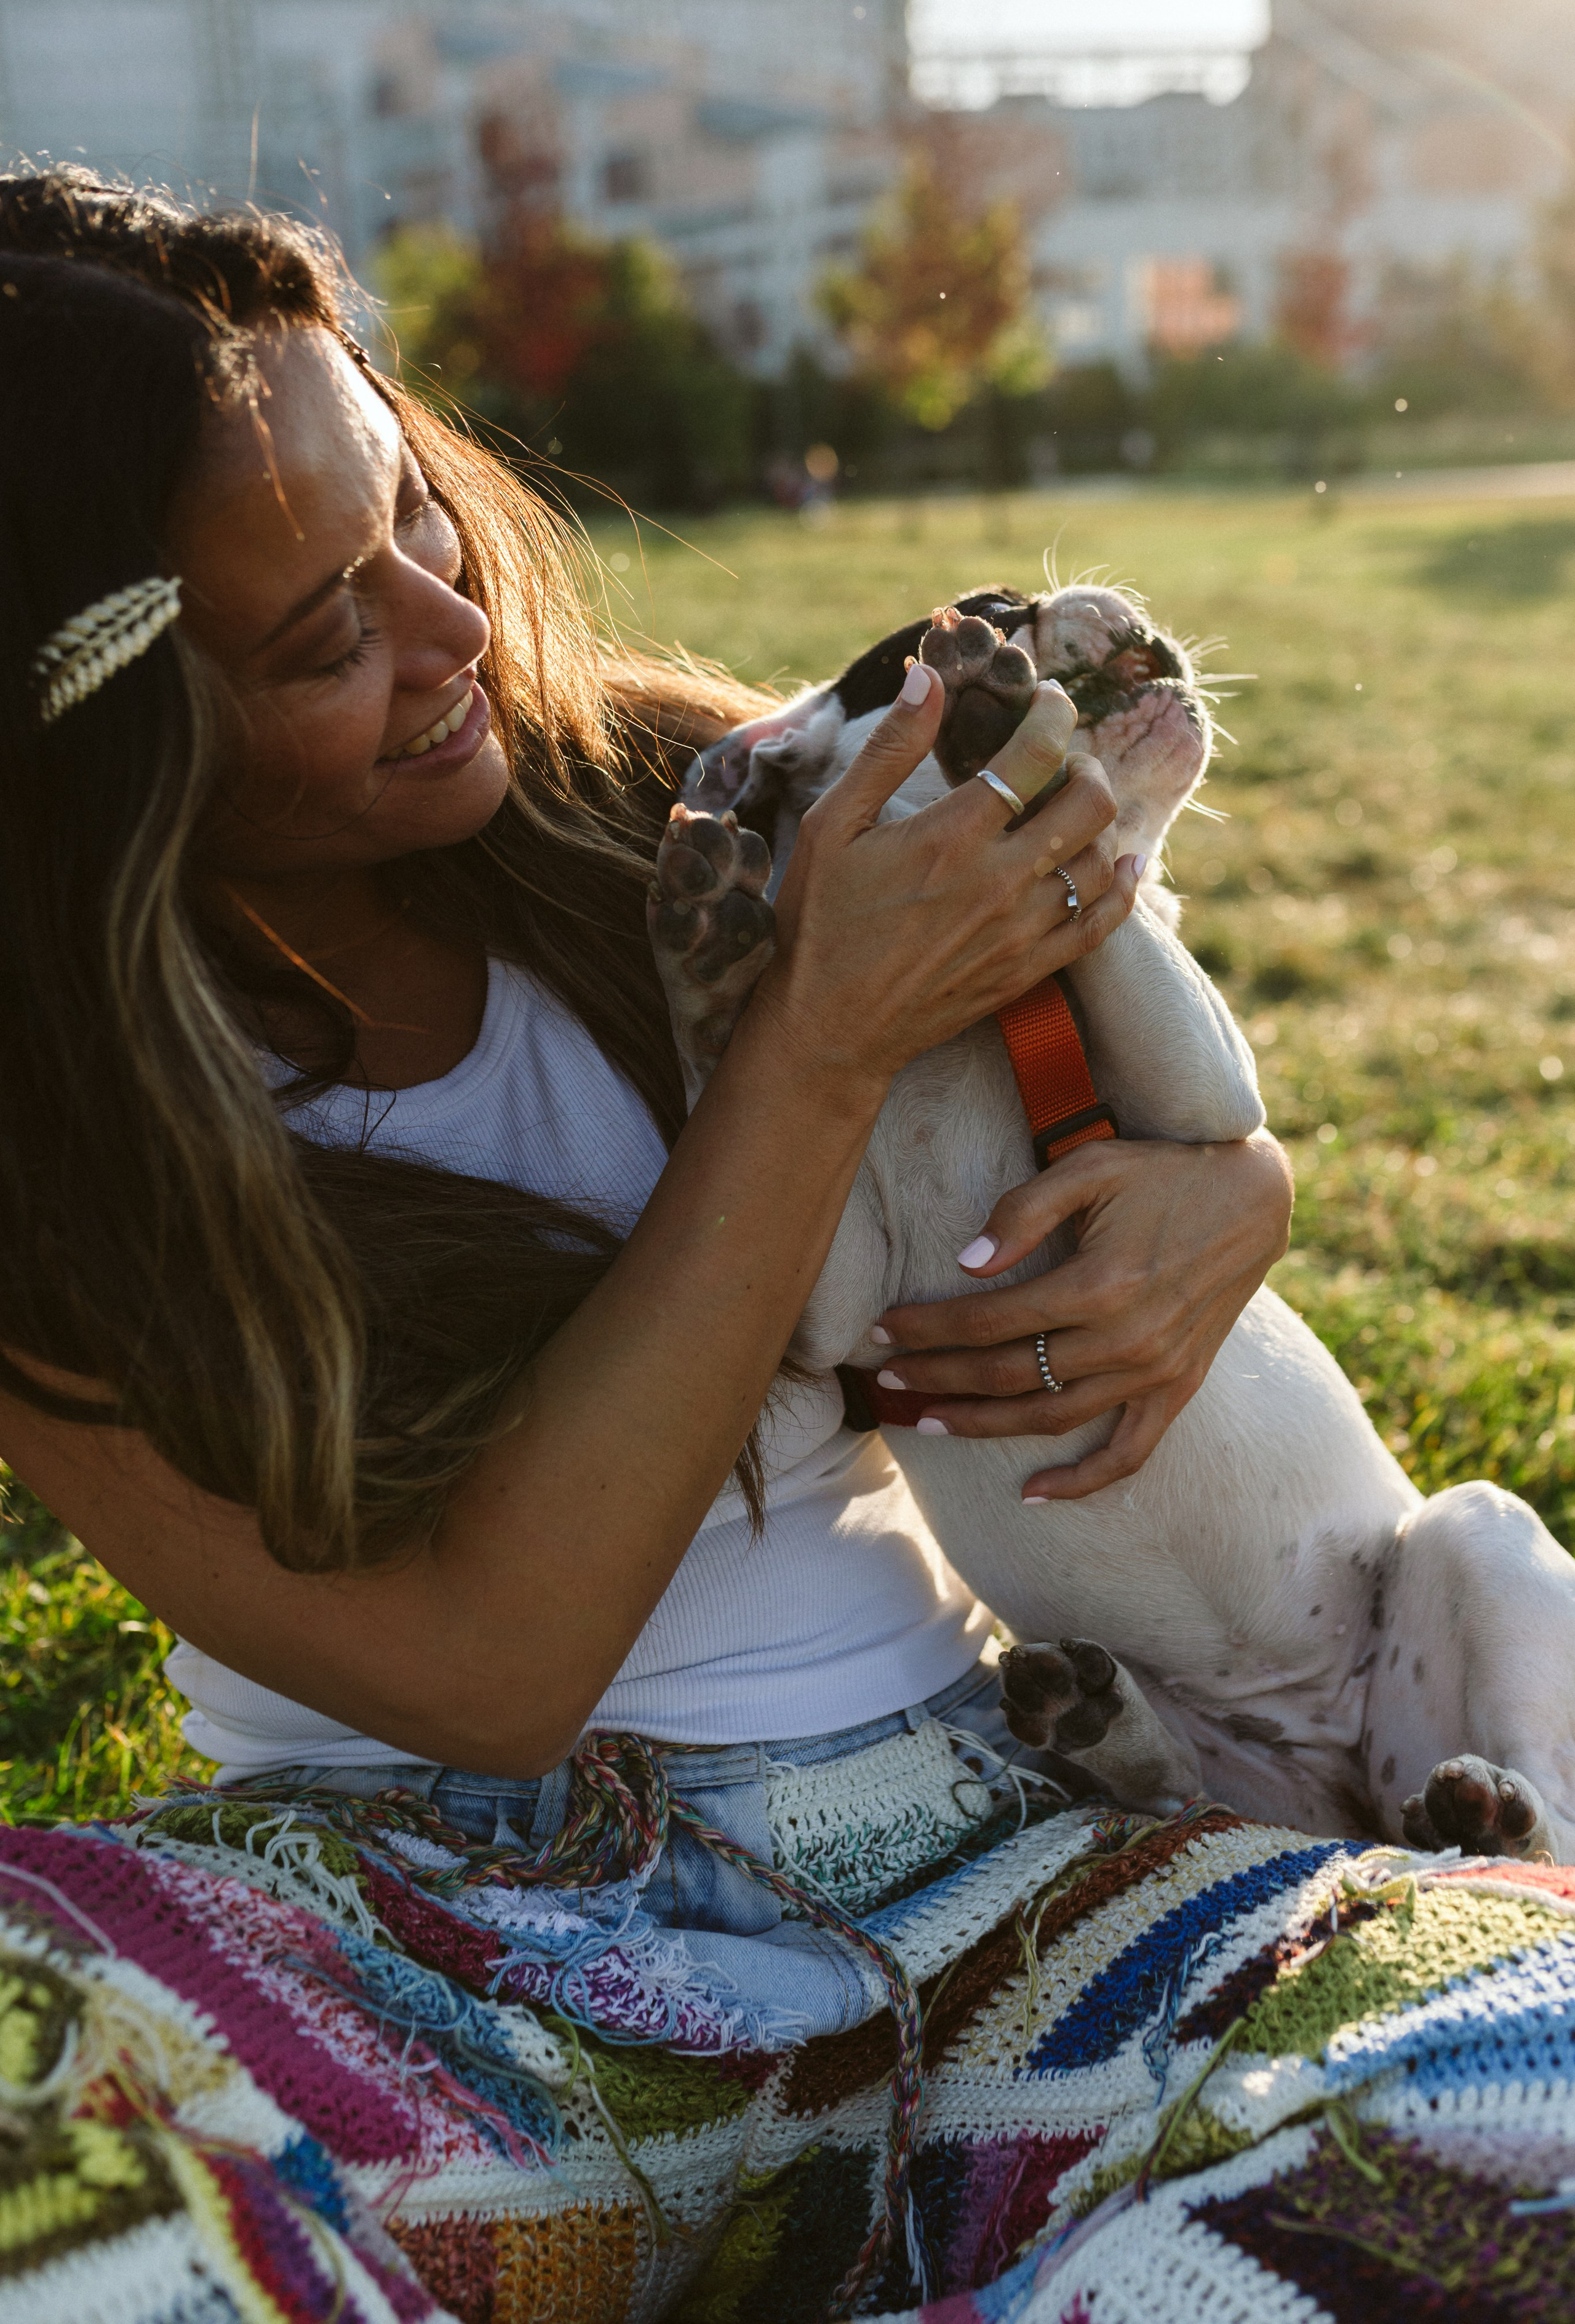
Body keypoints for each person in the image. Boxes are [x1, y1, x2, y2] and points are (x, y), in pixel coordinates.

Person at [0, 167, 1290, 2093]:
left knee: (1514, 2097)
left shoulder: (683, 806)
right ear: (103, 769)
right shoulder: (51, 1164)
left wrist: (1236, 1197)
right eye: (326, 642)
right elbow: (493, 1672)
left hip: (984, 1849)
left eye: (414, 506)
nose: (455, 623)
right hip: (393, 1930)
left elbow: (1133, 1062)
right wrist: (815, 1048)